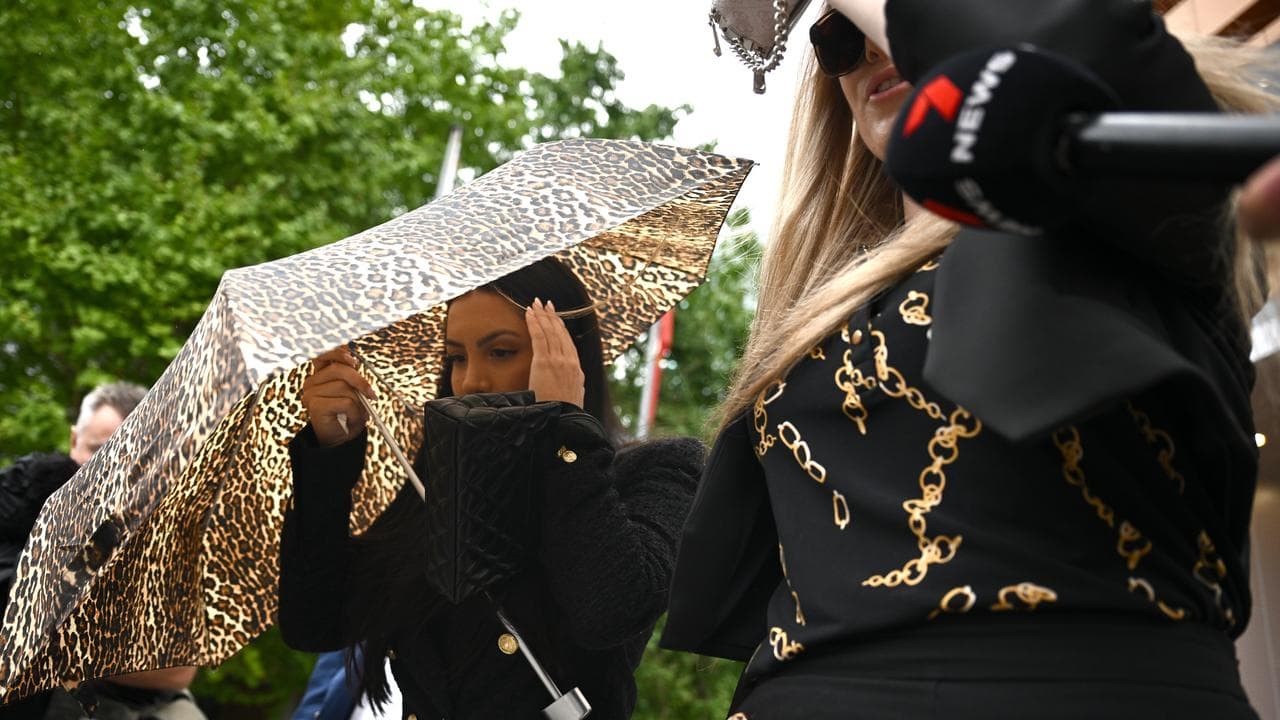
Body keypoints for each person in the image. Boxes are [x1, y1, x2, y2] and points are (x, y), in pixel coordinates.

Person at [660, 0, 1277, 717]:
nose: (871, 49)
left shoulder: (1132, 207)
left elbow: (1064, 63)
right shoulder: (813, 303)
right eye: (837, 40)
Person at [277, 257, 702, 720]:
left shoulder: (656, 470)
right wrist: (331, 460)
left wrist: (566, 430)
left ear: (566, 354)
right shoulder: (433, 493)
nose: (471, 380)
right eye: (456, 358)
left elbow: (610, 612)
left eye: (500, 352)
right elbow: (315, 623)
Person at [0, 382, 206, 720]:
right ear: (73, 440)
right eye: (97, 451)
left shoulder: (165, 534)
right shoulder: (21, 500)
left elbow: (177, 668)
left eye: (128, 458)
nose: (107, 471)